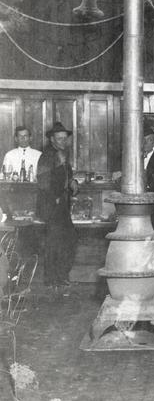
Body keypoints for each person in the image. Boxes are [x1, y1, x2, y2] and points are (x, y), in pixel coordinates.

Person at [36, 122, 79, 287]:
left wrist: (72, 182)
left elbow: (66, 177)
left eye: (64, 138)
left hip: (60, 206)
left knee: (67, 240)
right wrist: (56, 198)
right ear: (52, 139)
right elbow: (43, 183)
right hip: (51, 207)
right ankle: (53, 279)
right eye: (59, 138)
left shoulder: (62, 155)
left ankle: (60, 276)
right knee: (55, 243)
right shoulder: (47, 156)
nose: (63, 141)